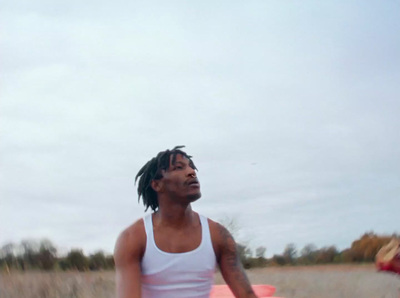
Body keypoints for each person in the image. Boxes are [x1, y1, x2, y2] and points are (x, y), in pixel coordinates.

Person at [114, 146, 257, 298]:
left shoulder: (218, 235)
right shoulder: (133, 238)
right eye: (178, 168)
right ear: (157, 185)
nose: (191, 172)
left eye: (190, 166)